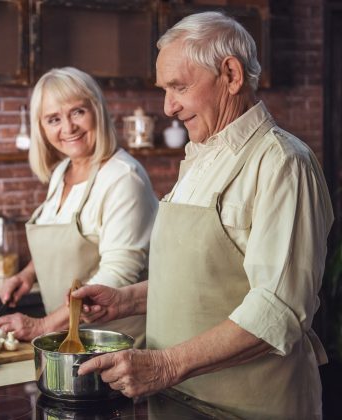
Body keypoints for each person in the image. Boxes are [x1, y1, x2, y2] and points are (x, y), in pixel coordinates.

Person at [73, 11, 334, 420]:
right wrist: (125, 300)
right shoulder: (201, 156)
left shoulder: (283, 163)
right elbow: (204, 281)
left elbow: (278, 309)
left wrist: (165, 365)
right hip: (180, 400)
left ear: (230, 75)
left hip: (246, 409)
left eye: (179, 86)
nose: (168, 107)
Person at [0, 67, 158, 347]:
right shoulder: (62, 172)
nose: (68, 128)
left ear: (97, 110)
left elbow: (117, 275)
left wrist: (41, 325)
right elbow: (61, 239)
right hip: (72, 339)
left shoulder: (123, 178)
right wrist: (28, 275)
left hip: (116, 343)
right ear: (42, 128)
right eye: (53, 119)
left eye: (78, 112)